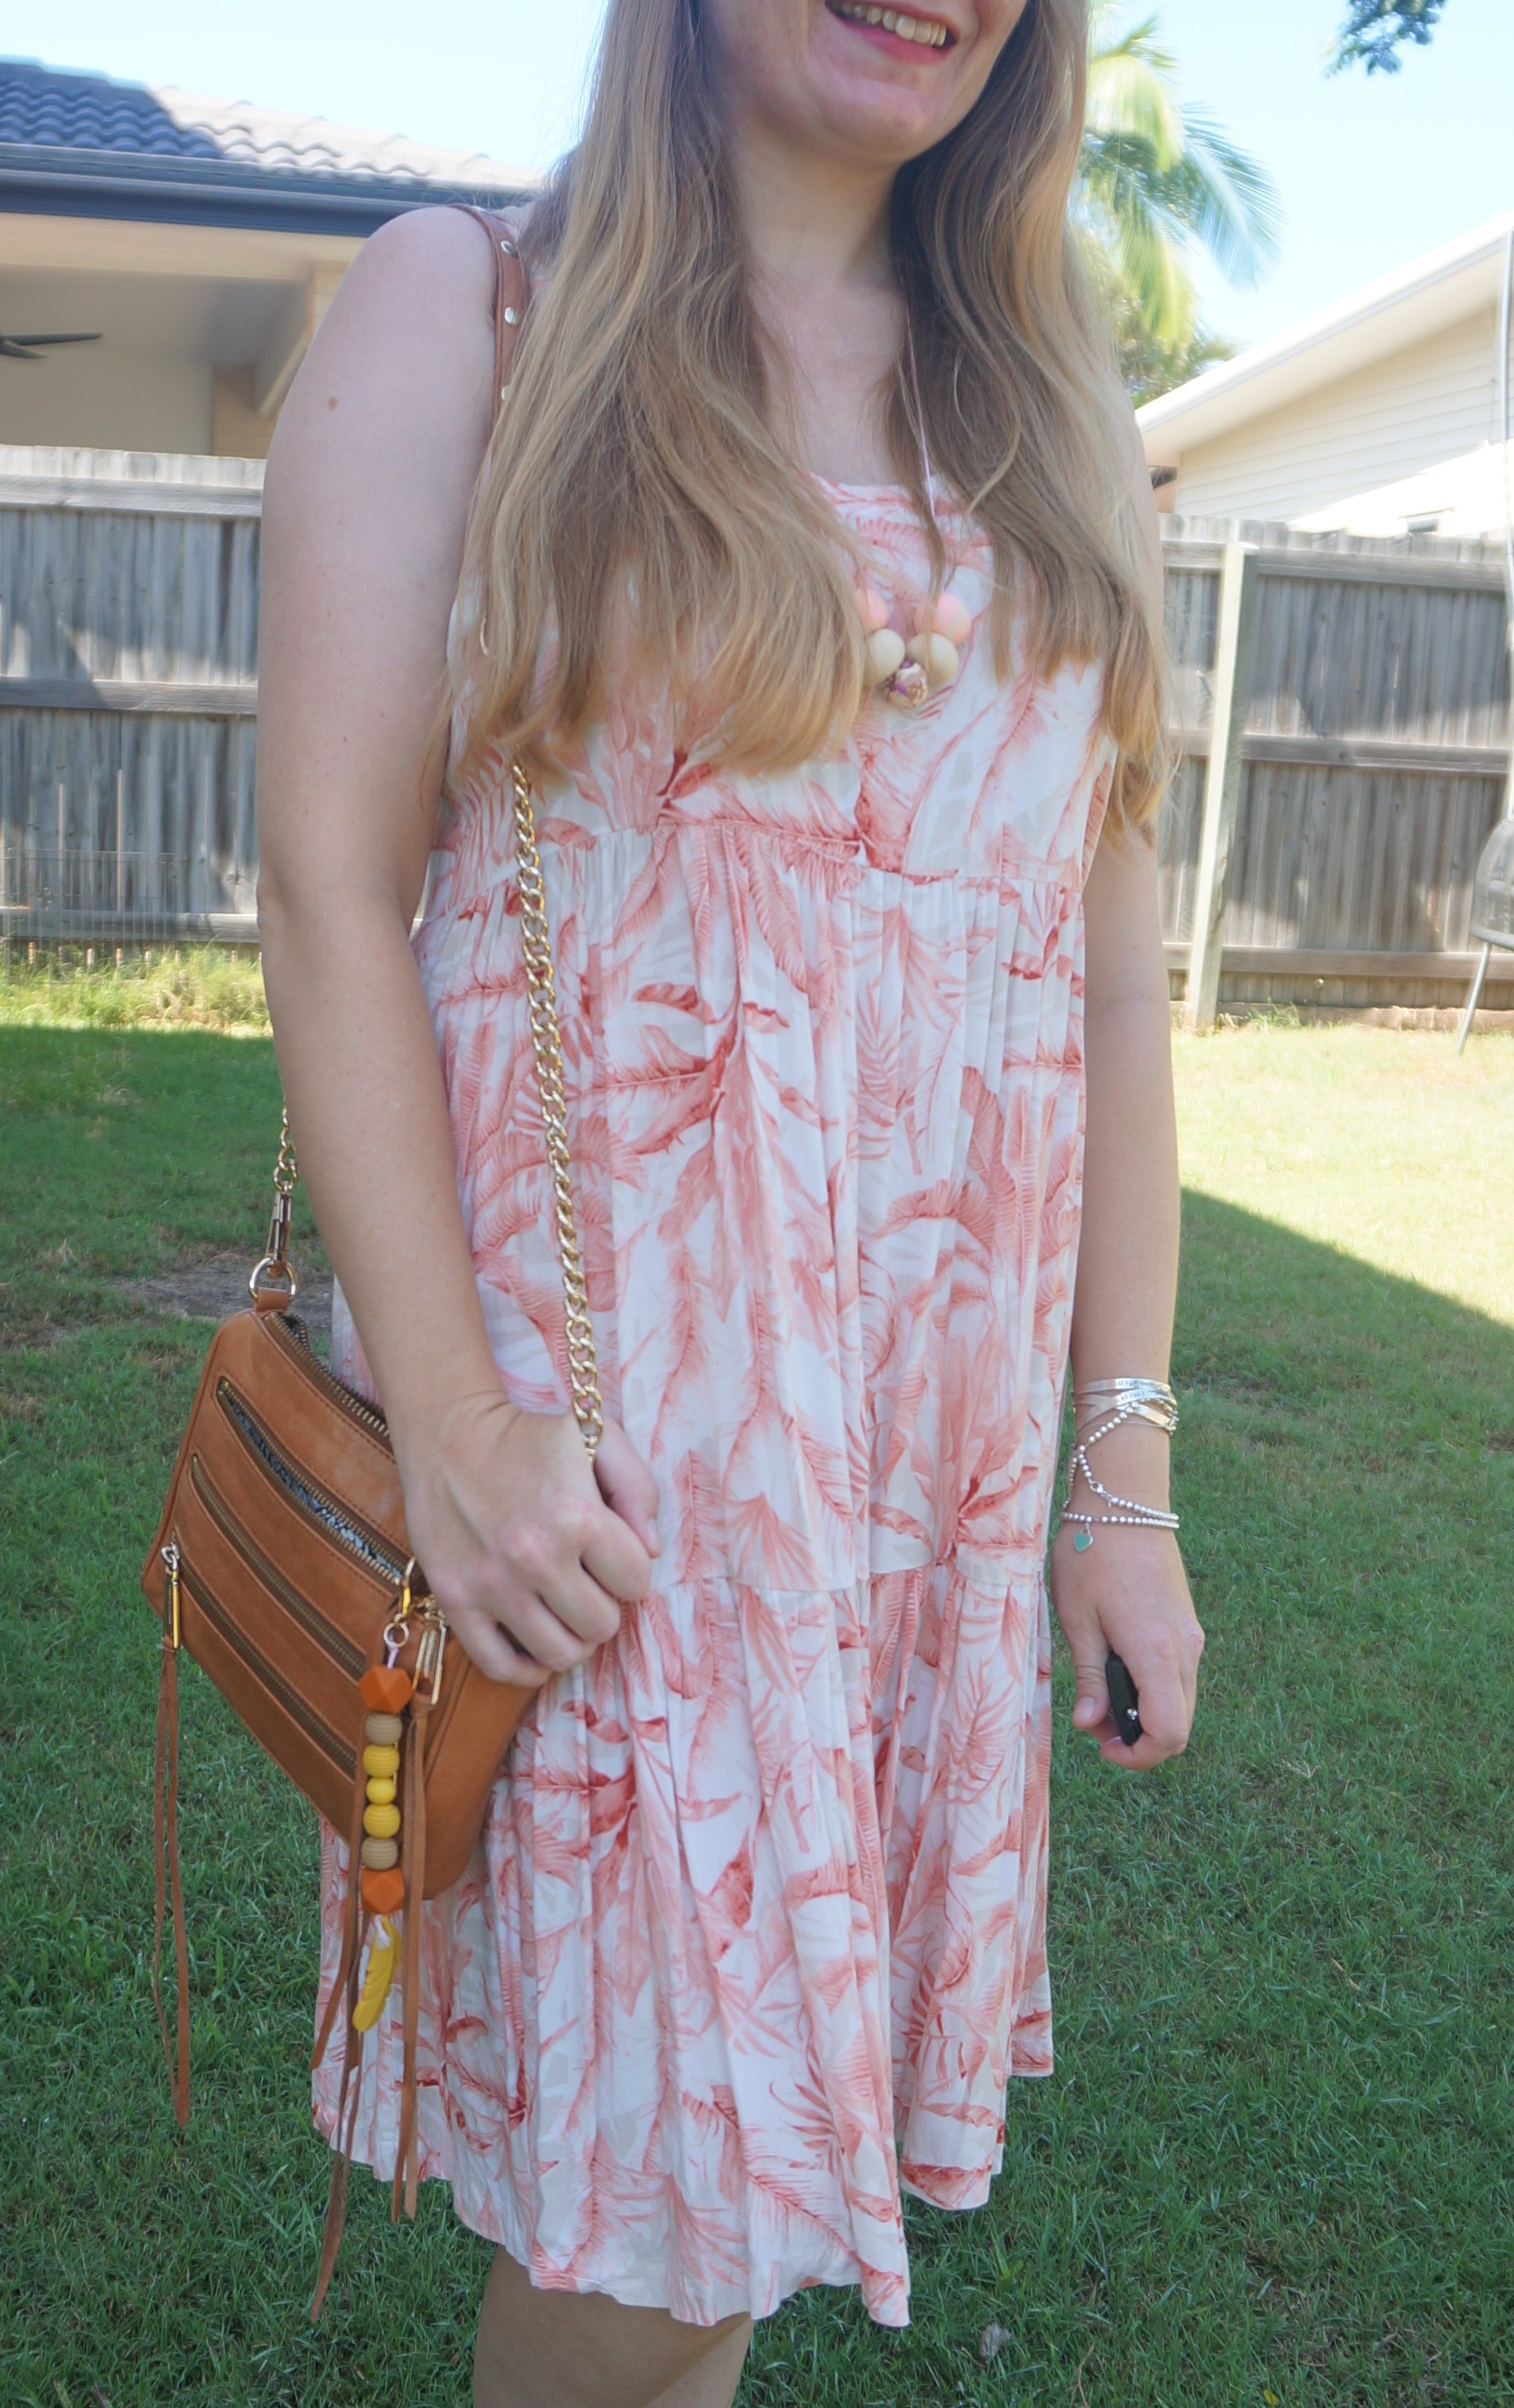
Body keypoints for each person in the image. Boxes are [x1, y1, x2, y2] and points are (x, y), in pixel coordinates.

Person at [255, 0, 1203, 2399]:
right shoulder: (472, 308)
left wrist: (1124, 1484)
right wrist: (458, 1427)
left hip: (919, 1486)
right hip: (623, 1481)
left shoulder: (1040, 395)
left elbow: (1105, 997)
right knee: (657, 2212)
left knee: (730, 2201)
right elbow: (330, 888)